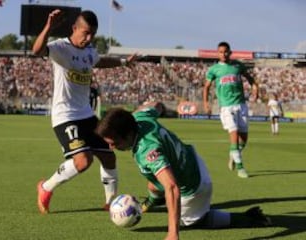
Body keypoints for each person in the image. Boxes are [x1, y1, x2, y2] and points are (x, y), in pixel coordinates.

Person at [95, 102, 271, 240]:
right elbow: (156, 105)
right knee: (154, 183)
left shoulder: (148, 151)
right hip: (192, 160)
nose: (111, 147)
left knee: (192, 221)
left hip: (194, 187)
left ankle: (249, 217)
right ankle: (152, 200)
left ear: (128, 134)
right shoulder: (140, 117)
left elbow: (172, 188)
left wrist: (173, 233)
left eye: (114, 142)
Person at [32, 9, 137, 214]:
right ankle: (45, 188)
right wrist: (48, 27)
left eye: (93, 35)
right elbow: (37, 50)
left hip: (87, 115)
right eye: (85, 33)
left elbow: (99, 61)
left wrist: (124, 62)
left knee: (109, 157)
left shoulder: (89, 50)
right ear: (74, 28)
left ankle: (111, 203)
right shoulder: (60, 47)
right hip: (65, 116)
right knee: (83, 161)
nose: (88, 38)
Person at [203, 41, 258, 178]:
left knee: (243, 139)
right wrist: (206, 103)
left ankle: (233, 155)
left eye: (226, 51)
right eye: (220, 52)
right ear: (218, 53)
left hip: (241, 105)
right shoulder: (214, 69)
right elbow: (206, 87)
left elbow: (251, 79)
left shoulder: (238, 66)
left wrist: (255, 88)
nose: (223, 54)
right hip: (226, 107)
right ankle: (240, 168)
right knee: (233, 136)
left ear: (230, 52)